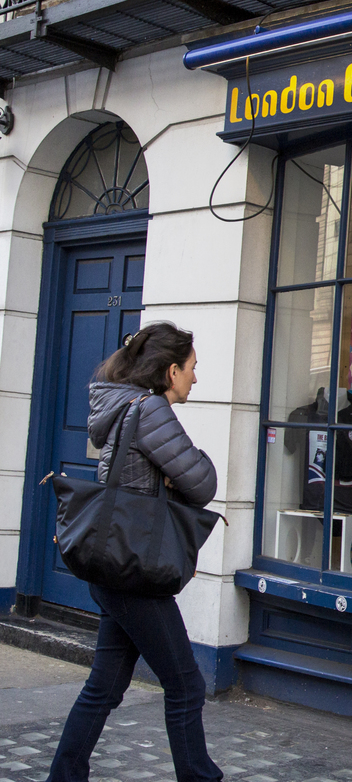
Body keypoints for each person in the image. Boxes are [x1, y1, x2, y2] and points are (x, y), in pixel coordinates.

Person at [49, 322, 222, 782]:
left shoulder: (121, 403)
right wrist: (182, 473)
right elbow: (203, 483)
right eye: (192, 369)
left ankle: (63, 777)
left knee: (103, 687)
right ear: (170, 371)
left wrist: (169, 476)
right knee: (186, 685)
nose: (195, 379)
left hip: (114, 567)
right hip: (133, 571)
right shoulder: (150, 411)